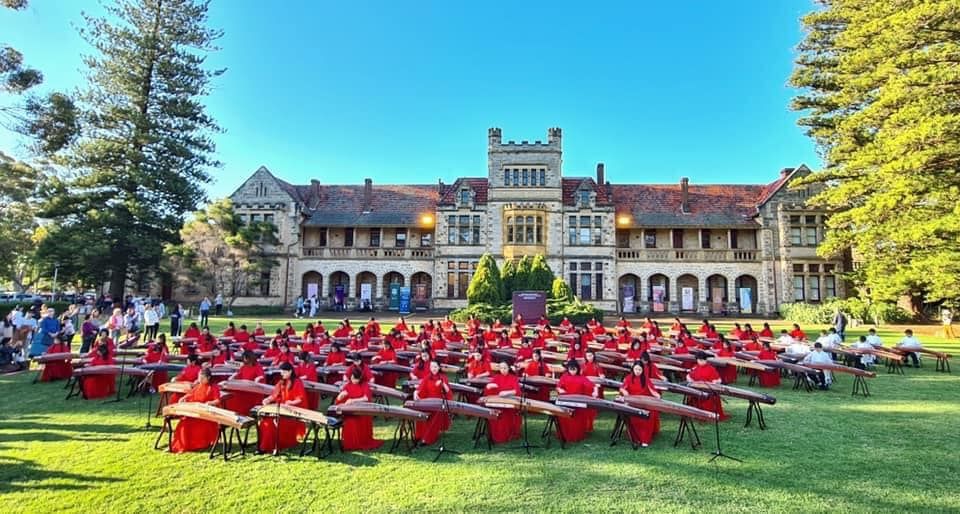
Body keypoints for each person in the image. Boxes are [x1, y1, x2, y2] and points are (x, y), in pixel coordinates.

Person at [257, 362, 307, 454]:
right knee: (266, 421)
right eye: (281, 372)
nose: (282, 374)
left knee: (273, 422)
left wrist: (291, 403)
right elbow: (274, 395)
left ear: (290, 371)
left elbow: (300, 398)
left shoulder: (297, 382)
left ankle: (270, 446)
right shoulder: (281, 382)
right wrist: (267, 400)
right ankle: (265, 445)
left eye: (284, 372)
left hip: (291, 412)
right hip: (281, 409)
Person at [170, 368, 222, 453]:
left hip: (206, 415)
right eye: (199, 378)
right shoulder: (198, 385)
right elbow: (190, 394)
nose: (200, 380)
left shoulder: (213, 387)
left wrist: (210, 403)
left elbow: (218, 400)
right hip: (195, 412)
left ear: (208, 378)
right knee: (183, 423)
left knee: (191, 425)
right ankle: (180, 444)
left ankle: (196, 445)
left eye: (202, 378)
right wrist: (183, 398)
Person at [335, 368, 384, 451]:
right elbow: (341, 397)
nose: (353, 380)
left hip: (362, 412)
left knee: (354, 421)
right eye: (352, 378)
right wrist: (341, 396)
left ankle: (359, 442)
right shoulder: (348, 385)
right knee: (349, 422)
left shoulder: (364, 385)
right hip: (351, 412)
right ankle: (349, 444)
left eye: (355, 379)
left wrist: (353, 400)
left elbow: (365, 398)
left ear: (359, 378)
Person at [555, 360, 599, 443]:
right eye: (571, 369)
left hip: (578, 402)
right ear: (568, 369)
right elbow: (558, 387)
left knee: (576, 419)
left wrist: (595, 392)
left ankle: (577, 435)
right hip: (566, 401)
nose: (572, 371)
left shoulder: (582, 377)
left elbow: (593, 386)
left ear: (577, 369)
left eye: (574, 369)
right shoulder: (564, 376)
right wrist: (560, 390)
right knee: (566, 417)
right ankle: (565, 433)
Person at [619, 361, 660, 447]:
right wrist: (625, 393)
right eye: (636, 369)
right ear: (633, 369)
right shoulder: (628, 378)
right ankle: (635, 437)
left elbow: (652, 390)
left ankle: (645, 439)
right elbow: (623, 388)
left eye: (640, 369)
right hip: (633, 402)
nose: (637, 371)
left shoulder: (645, 379)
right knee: (633, 413)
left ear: (642, 370)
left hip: (644, 402)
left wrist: (657, 395)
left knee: (649, 413)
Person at [413, 360, 452, 446]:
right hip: (428, 402)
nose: (433, 369)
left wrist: (442, 384)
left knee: (435, 416)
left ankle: (427, 439)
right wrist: (415, 392)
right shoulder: (427, 377)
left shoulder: (443, 377)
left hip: (439, 404)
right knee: (421, 413)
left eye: (435, 367)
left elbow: (448, 391)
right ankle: (419, 435)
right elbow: (420, 388)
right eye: (431, 367)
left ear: (438, 367)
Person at [483, 361, 522, 444]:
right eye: (501, 368)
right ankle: (495, 435)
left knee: (506, 415)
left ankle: (507, 434)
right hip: (498, 403)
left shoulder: (513, 377)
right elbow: (488, 389)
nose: (503, 370)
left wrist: (507, 392)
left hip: (510, 404)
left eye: (505, 368)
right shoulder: (496, 377)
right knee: (494, 413)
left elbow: (516, 391)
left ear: (508, 368)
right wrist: (489, 386)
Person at [686, 351, 728, 421]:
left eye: (702, 360)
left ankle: (708, 413)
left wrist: (715, 382)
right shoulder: (695, 368)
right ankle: (695, 412)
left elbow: (719, 380)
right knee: (692, 394)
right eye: (698, 360)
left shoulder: (711, 368)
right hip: (698, 390)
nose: (700, 362)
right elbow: (689, 376)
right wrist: (690, 380)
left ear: (705, 360)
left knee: (708, 396)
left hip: (709, 391)